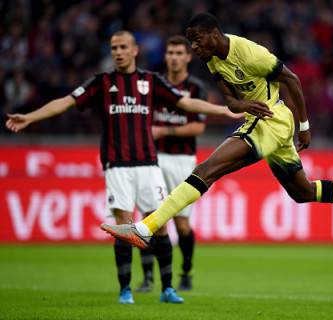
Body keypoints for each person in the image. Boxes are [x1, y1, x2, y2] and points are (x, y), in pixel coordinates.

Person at [100, 13, 333, 252]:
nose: (193, 47)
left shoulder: (249, 53)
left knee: (207, 170)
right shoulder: (211, 58)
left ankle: (145, 229)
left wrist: (305, 127)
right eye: (190, 42)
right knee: (303, 192)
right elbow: (230, 99)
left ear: (213, 34)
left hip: (273, 119)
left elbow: (293, 81)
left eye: (195, 40)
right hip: (262, 120)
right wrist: (242, 102)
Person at [5, 30, 240, 304]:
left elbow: (185, 102)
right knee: (125, 227)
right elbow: (66, 102)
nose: (117, 52)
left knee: (159, 226)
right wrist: (30, 118)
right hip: (117, 166)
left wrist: (224, 110)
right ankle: (125, 289)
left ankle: (167, 288)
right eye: (114, 47)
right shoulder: (102, 83)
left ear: (135, 50)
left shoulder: (150, 81)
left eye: (123, 47)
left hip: (149, 164)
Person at [137, 35, 206, 292]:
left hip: (182, 161)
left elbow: (198, 125)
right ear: (165, 56)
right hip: (152, 159)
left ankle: (186, 272)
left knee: (182, 224)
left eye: (179, 53)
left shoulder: (196, 88)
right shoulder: (154, 85)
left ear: (188, 57)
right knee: (149, 217)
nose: (174, 57)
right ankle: (147, 278)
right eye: (170, 52)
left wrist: (164, 131)